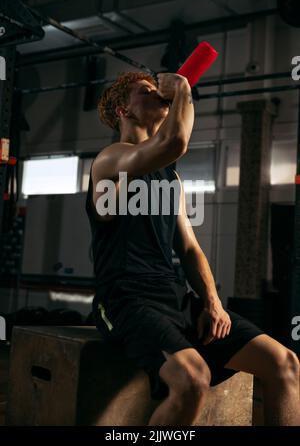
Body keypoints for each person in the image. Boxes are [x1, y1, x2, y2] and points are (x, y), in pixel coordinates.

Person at [85, 71, 300, 426]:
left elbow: (189, 248)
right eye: (146, 92)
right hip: (126, 300)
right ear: (124, 110)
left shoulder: (171, 177)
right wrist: (183, 88)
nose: (158, 94)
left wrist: (212, 302)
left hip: (175, 298)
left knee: (285, 364)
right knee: (192, 379)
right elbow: (174, 142)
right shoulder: (111, 159)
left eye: (160, 90)